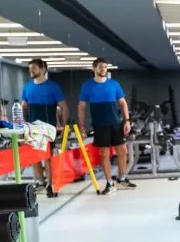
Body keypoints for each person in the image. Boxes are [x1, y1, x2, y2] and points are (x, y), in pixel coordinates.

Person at [77, 57, 135, 194]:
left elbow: (123, 103)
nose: (103, 69)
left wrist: (127, 120)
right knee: (104, 154)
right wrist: (81, 126)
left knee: (123, 151)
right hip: (100, 125)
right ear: (94, 68)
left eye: (105, 67)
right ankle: (109, 183)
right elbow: (81, 107)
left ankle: (122, 178)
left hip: (116, 123)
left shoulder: (114, 84)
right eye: (100, 67)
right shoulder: (87, 86)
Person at [21, 58, 67, 197]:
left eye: (34, 68)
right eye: (30, 69)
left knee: (47, 156)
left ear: (43, 69)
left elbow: (63, 106)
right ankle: (41, 181)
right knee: (34, 156)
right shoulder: (27, 87)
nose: (31, 71)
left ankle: (50, 184)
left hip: (48, 126)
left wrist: (64, 124)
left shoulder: (53, 87)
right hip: (32, 126)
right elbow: (24, 106)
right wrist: (23, 122)